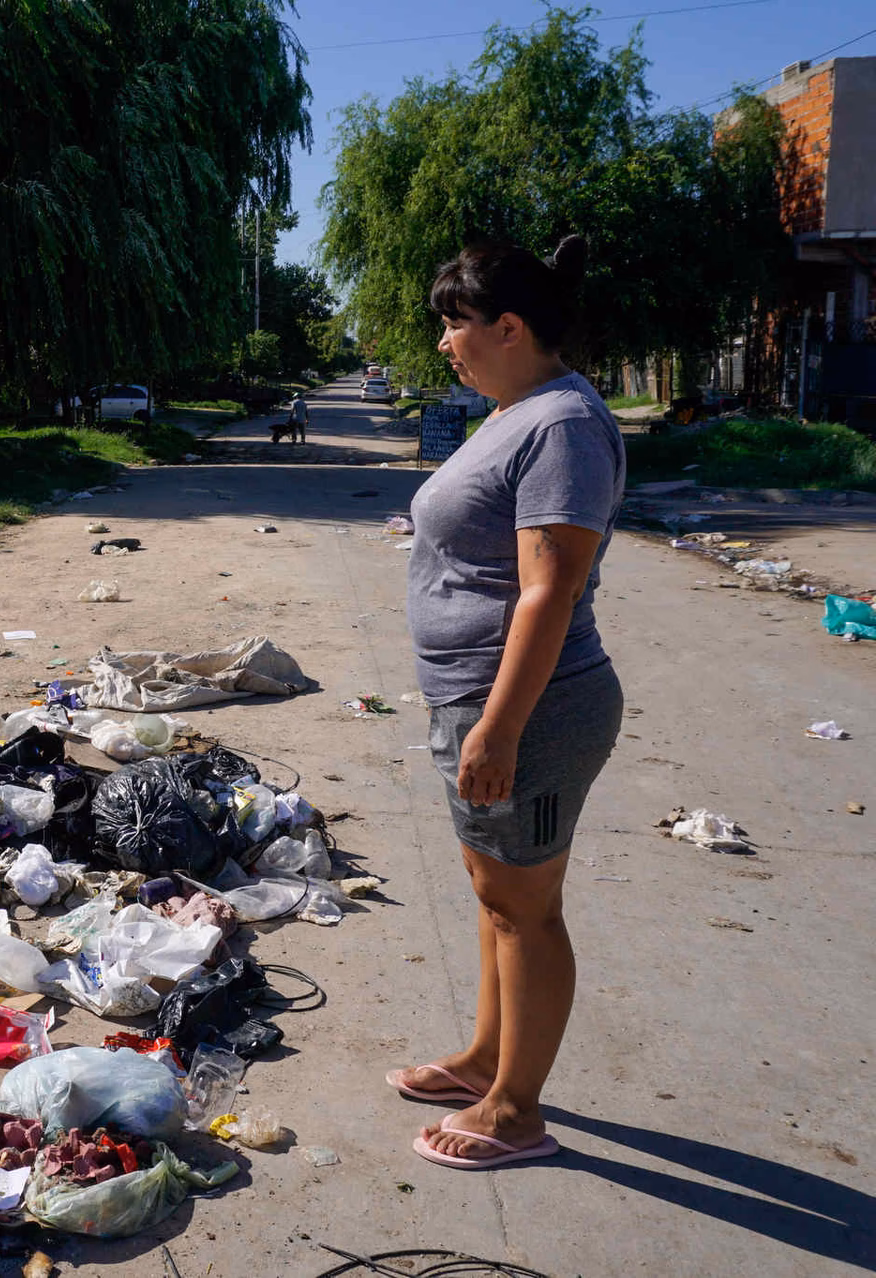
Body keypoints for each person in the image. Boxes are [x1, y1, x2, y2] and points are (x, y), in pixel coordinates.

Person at [390, 236, 624, 1170]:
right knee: (497, 898)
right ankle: (488, 1060)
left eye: (457, 322)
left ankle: (518, 1111)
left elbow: (549, 591)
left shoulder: (562, 426)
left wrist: (499, 726)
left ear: (511, 326)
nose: (447, 341)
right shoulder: (517, 412)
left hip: (531, 708)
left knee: (527, 911)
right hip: (479, 702)